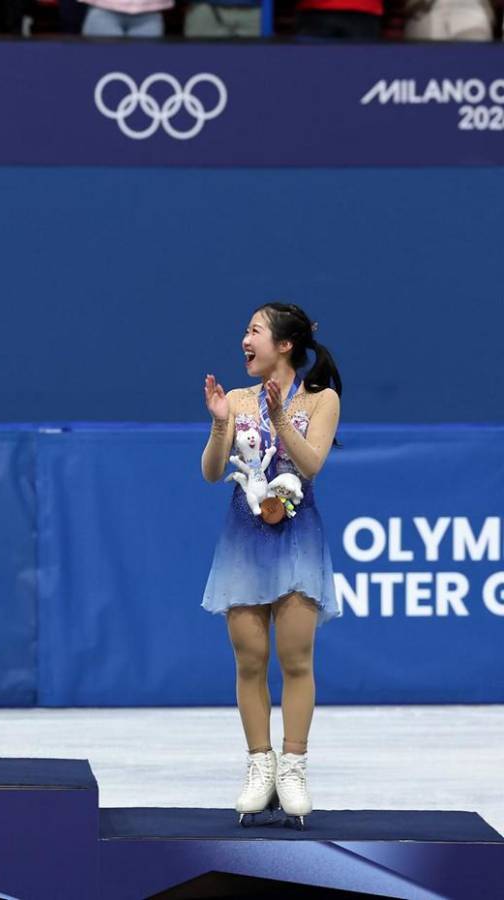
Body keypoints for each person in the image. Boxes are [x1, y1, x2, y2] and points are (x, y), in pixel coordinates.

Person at [200, 302, 342, 829]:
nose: (245, 339)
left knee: (296, 658)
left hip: (298, 543)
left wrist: (281, 416)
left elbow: (311, 465)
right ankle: (260, 763)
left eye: (254, 330)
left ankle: (295, 766)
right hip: (243, 542)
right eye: (245, 330)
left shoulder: (322, 399)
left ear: (284, 344)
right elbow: (213, 473)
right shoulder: (236, 399)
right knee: (251, 659)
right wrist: (220, 426)